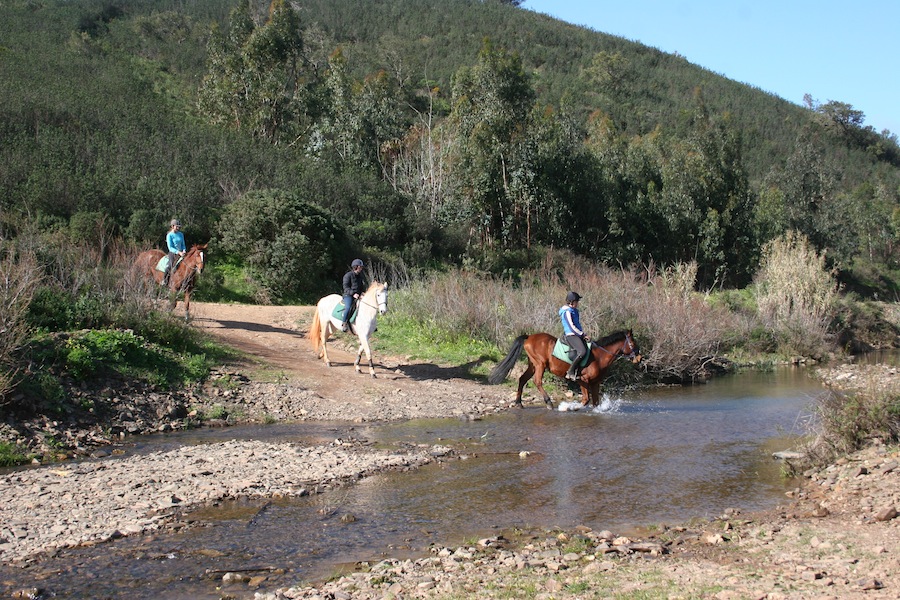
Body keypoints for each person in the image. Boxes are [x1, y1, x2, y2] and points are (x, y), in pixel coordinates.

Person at [559, 291, 589, 381]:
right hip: (571, 335)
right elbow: (571, 326)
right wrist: (582, 334)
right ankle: (570, 372)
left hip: (577, 334)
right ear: (572, 302)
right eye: (576, 302)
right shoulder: (567, 311)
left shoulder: (574, 310)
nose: (577, 303)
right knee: (582, 352)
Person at [340, 258, 367, 332]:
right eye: (360, 267)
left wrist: (362, 293)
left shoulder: (360, 276)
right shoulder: (348, 275)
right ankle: (344, 323)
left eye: (361, 267)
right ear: (356, 267)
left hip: (358, 295)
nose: (361, 268)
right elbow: (345, 287)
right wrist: (353, 294)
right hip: (348, 295)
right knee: (348, 307)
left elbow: (361, 287)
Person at [163, 219, 186, 287]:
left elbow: (183, 244)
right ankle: (165, 281)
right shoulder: (169, 235)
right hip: (173, 253)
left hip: (182, 253)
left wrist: (184, 250)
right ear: (172, 226)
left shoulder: (181, 234)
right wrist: (178, 252)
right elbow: (170, 247)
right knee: (169, 266)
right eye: (177, 227)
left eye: (179, 227)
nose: (178, 228)